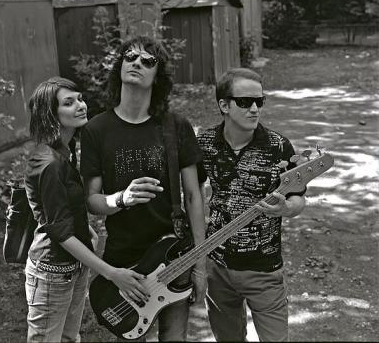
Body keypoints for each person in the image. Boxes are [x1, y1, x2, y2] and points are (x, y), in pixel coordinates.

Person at [80, 35, 207, 341]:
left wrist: (200, 265)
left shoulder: (176, 126)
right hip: (123, 262)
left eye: (148, 61)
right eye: (130, 56)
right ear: (120, 66)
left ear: (157, 76)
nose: (137, 62)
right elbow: (91, 201)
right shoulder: (96, 129)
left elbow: (194, 197)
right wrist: (121, 198)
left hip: (174, 256)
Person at [24, 77, 149, 342]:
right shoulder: (49, 163)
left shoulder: (65, 149)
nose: (80, 105)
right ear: (50, 114)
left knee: (70, 338)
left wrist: (86, 229)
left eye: (80, 99)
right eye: (68, 103)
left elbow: (62, 208)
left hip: (76, 265)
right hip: (52, 272)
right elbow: (59, 231)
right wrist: (112, 273)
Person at [197, 68, 306, 342]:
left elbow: (298, 197)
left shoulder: (279, 146)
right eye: (245, 102)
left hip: (264, 269)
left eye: (260, 101)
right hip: (217, 267)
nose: (255, 109)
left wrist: (287, 209)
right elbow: (192, 193)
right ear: (224, 105)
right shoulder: (204, 144)